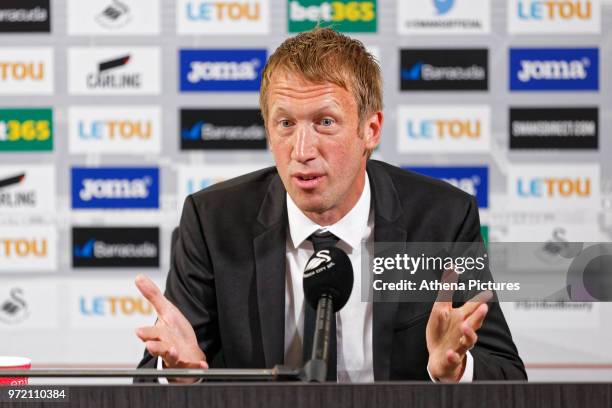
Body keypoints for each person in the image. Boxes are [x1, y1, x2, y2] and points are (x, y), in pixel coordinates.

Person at [135, 27, 526, 383]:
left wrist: (458, 369)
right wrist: (177, 376)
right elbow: (156, 377)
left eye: (325, 122)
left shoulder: (442, 220)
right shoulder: (214, 223)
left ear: (369, 130)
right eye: (285, 124)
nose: (301, 151)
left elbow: (509, 376)